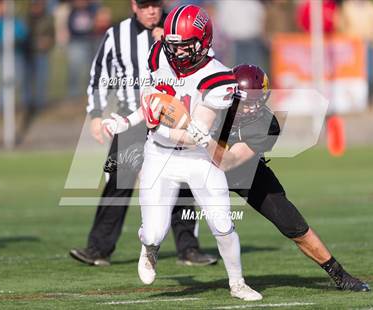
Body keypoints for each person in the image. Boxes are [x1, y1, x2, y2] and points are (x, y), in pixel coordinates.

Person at [105, 4, 263, 301]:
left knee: (222, 223)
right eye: (172, 44)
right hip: (160, 156)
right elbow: (152, 102)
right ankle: (149, 248)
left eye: (184, 46)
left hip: (198, 158)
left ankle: (237, 282)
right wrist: (129, 121)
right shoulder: (158, 54)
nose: (176, 52)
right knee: (153, 233)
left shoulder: (218, 78)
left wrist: (159, 126)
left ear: (203, 42)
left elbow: (195, 136)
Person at [193, 64, 371, 292]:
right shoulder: (213, 106)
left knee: (292, 223)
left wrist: (202, 137)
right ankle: (154, 247)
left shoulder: (267, 124)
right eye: (246, 102)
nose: (250, 109)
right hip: (201, 167)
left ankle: (340, 275)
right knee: (166, 202)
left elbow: (228, 162)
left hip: (243, 171)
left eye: (256, 102)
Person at [69, 0, 216, 267]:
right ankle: (99, 248)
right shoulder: (117, 34)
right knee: (118, 179)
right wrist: (95, 114)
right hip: (134, 116)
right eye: (145, 5)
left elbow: (207, 62)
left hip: (173, 116)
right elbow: (100, 75)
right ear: (134, 5)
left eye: (156, 5)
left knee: (182, 181)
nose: (152, 11)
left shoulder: (179, 28)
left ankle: (188, 249)